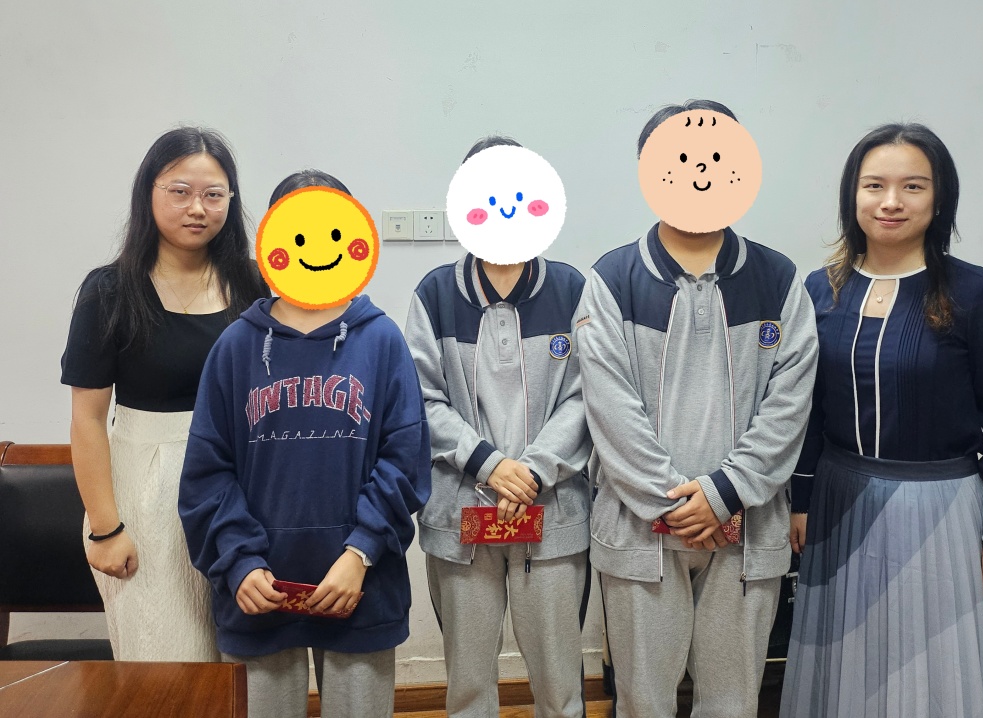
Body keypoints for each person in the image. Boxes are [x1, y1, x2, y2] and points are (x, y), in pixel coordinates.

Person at [781, 123, 983, 717]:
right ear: (853, 195)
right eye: (875, 185)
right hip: (839, 503)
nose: (891, 201)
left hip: (942, 510)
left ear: (939, 197)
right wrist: (802, 499)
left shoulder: (977, 294)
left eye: (913, 186)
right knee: (847, 668)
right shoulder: (820, 290)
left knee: (935, 673)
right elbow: (807, 410)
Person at [575, 100, 819, 718]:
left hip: (748, 528)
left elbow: (790, 403)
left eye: (715, 157)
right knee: (643, 700)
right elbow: (610, 409)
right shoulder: (611, 279)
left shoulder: (779, 279)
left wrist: (725, 492)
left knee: (733, 701)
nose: (698, 172)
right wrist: (680, 502)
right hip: (639, 529)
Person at [178, 170, 431, 718]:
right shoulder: (235, 347)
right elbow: (207, 473)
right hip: (259, 591)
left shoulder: (382, 340)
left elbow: (404, 460)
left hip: (360, 585)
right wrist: (240, 561)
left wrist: (361, 552)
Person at [60, 126, 267, 661]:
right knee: (166, 665)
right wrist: (105, 528)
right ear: (148, 193)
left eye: (213, 194)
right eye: (180, 191)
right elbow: (87, 419)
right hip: (146, 494)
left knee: (249, 668)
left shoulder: (256, 285)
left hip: (244, 489)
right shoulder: (109, 291)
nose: (197, 208)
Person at [405, 136, 592, 717]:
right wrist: (490, 464)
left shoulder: (573, 289)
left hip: (552, 511)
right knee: (467, 683)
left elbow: (589, 397)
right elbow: (420, 400)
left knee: (560, 684)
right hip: (460, 515)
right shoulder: (434, 294)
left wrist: (530, 471)